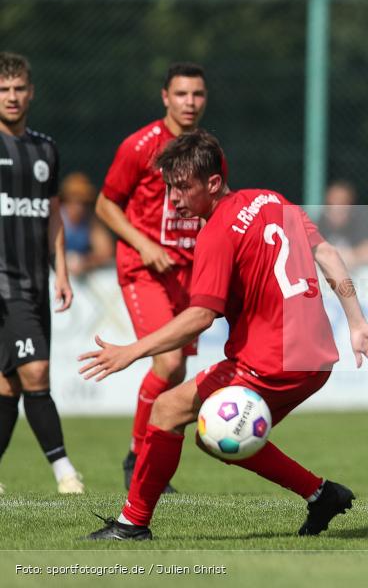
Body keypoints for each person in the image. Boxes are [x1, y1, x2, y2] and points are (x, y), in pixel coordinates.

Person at [80, 130, 368, 540]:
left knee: (166, 411)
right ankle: (322, 496)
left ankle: (132, 524)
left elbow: (199, 317)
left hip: (271, 362)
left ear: (213, 183)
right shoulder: (272, 199)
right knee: (216, 436)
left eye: (182, 188)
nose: (173, 199)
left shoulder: (217, 231)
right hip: (313, 361)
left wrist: (132, 351)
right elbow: (329, 255)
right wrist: (356, 322)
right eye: (169, 188)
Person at [96, 62, 214, 491]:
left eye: (197, 95)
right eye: (181, 94)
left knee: (177, 370)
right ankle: (138, 457)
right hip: (142, 269)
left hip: (188, 272)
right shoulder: (140, 145)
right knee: (168, 360)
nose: (190, 102)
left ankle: (140, 455)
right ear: (165, 96)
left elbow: (214, 210)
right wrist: (144, 245)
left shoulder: (207, 151)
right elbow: (105, 204)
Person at [0, 52, 82, 494]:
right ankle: (65, 472)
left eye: (18, 89)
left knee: (8, 385)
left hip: (34, 281)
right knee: (37, 371)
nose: (11, 97)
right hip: (3, 282)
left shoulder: (45, 148)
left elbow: (52, 214)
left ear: (30, 92)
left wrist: (62, 273)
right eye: (3, 89)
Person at [58, 172, 114, 276]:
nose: (79, 207)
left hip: (80, 273)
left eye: (83, 201)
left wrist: (84, 262)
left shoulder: (90, 221)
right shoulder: (55, 219)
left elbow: (106, 252)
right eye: (74, 199)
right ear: (65, 199)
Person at [316, 180, 368, 268]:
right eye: (330, 204)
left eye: (341, 204)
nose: (335, 209)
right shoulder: (320, 224)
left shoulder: (359, 222)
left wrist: (351, 255)